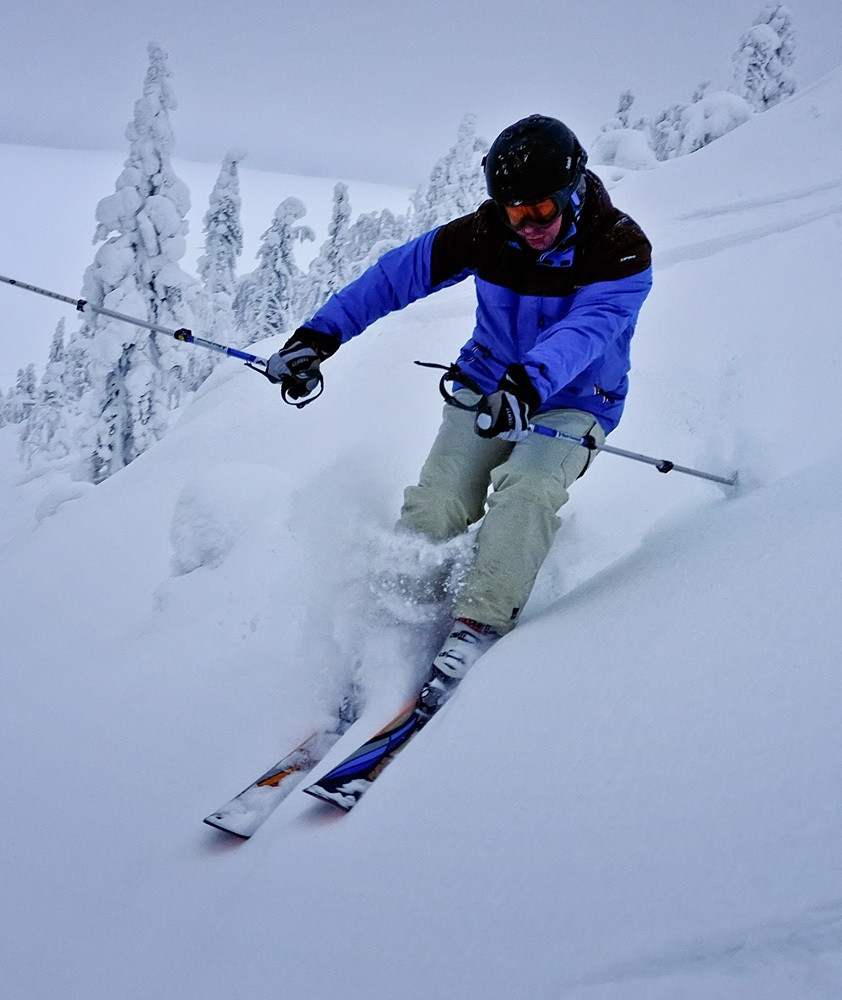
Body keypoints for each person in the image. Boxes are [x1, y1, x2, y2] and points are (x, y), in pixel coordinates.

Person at [265, 114, 652, 708]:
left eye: (541, 211)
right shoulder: (485, 234)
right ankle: (396, 617)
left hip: (574, 401)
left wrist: (528, 385)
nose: (529, 226)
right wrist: (319, 337)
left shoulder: (619, 248)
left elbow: (589, 330)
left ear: (573, 189)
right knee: (439, 499)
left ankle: (480, 621)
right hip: (487, 381)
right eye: (514, 212)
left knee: (525, 488)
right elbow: (395, 277)